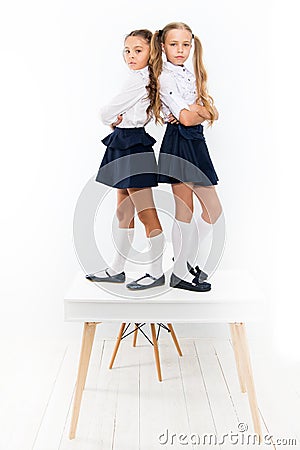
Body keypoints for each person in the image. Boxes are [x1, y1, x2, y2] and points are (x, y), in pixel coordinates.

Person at [86, 29, 165, 291]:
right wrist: (114, 119)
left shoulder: (138, 80)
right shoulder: (137, 77)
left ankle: (155, 272)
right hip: (123, 141)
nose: (131, 56)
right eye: (127, 51)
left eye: (138, 50)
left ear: (151, 52)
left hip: (133, 144)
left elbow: (106, 112)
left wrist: (110, 117)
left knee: (145, 212)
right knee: (123, 210)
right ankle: (117, 269)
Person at [150, 22, 225, 292]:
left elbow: (202, 111)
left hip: (196, 141)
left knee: (212, 209)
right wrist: (203, 111)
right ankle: (180, 272)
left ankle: (185, 259)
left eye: (185, 44)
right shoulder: (166, 76)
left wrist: (200, 111)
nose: (180, 50)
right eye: (173, 44)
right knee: (185, 210)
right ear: (163, 46)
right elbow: (185, 117)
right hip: (179, 141)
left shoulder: (189, 73)